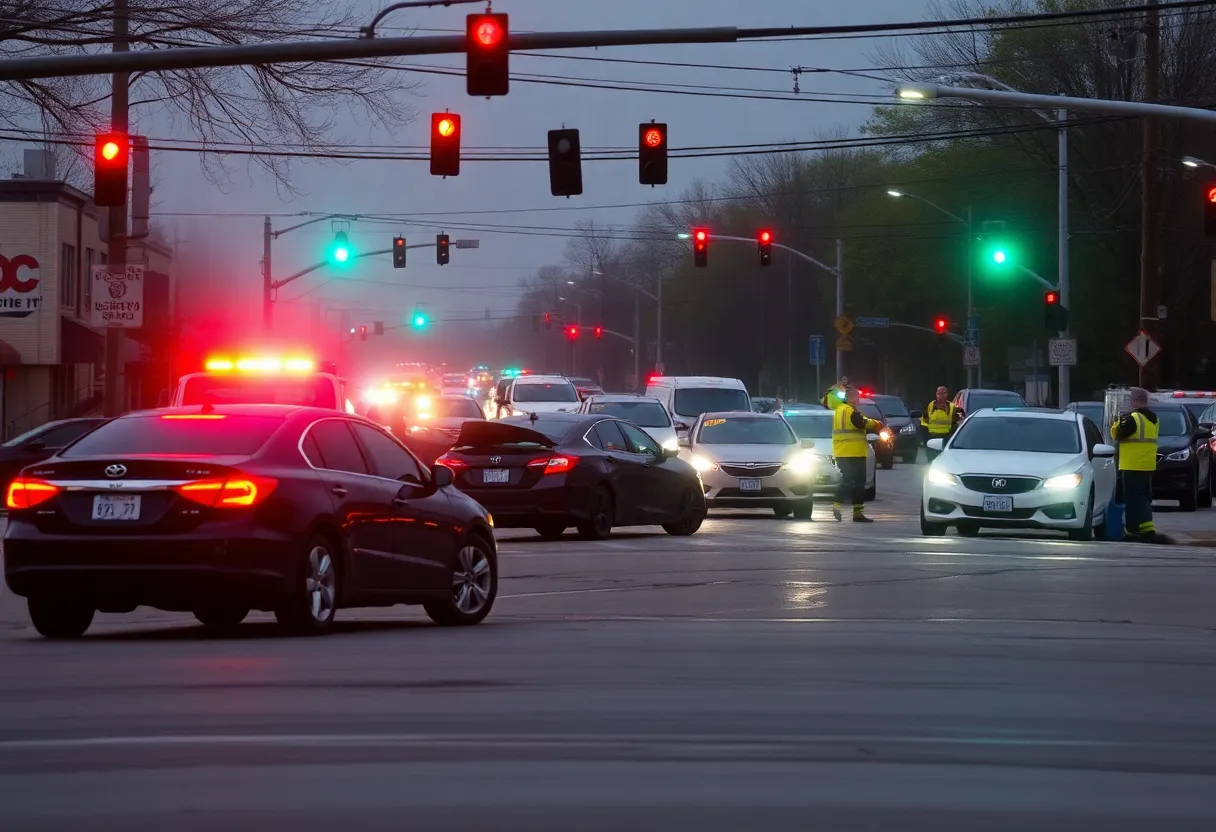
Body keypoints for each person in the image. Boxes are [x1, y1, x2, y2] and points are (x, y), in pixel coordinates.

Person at [1110, 387, 1160, 543]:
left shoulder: (1132, 419)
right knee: (1143, 497)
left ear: (1135, 401)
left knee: (1132, 499)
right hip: (1147, 464)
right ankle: (1147, 528)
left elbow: (1117, 435)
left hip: (1132, 464)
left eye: (1131, 400)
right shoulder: (1154, 419)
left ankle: (1132, 529)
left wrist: (1116, 423)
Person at [832, 387, 882, 523]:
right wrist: (877, 424)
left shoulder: (839, 410)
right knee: (851, 481)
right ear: (853, 398)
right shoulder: (851, 412)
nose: (858, 400)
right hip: (852, 452)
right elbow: (861, 423)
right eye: (857, 397)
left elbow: (860, 420)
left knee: (858, 482)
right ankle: (838, 503)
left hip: (844, 452)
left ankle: (858, 513)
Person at [920, 386, 964, 461]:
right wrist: (925, 437)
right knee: (931, 460)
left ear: (946, 394)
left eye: (943, 393)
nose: (941, 396)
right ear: (936, 394)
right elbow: (924, 420)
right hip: (932, 437)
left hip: (946, 437)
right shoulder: (931, 405)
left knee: (944, 460)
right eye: (939, 393)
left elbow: (958, 421)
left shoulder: (952, 406)